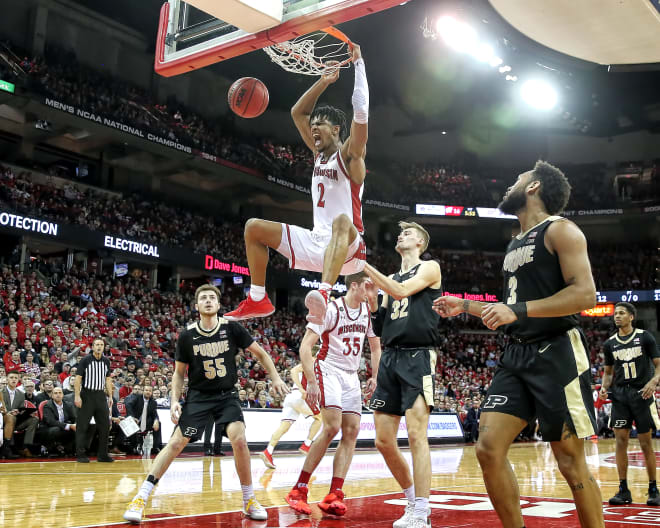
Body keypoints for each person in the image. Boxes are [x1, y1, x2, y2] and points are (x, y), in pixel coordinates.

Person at [433, 160, 605, 528]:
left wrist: (519, 311)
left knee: (570, 462)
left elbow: (586, 294)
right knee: (488, 450)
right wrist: (464, 305)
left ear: (533, 187)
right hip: (516, 355)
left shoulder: (561, 231)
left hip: (557, 351)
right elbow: (508, 308)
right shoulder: (514, 242)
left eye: (518, 178)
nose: (511, 183)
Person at [225, 44, 370, 325]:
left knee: (341, 220)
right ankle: (257, 298)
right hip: (317, 244)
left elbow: (361, 114)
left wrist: (359, 66)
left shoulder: (351, 157)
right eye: (313, 124)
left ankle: (325, 294)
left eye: (321, 124)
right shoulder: (319, 155)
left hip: (350, 250)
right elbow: (297, 113)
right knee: (254, 228)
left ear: (337, 130)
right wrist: (324, 81)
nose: (313, 127)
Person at [123, 285, 289, 524]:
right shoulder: (187, 335)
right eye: (203, 298)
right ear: (197, 306)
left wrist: (275, 377)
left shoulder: (232, 328)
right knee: (177, 442)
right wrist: (173, 401)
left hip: (226, 396)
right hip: (199, 398)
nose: (208, 301)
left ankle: (249, 499)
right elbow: (179, 373)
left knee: (239, 439)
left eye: (212, 297)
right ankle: (141, 497)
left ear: (219, 305)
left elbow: (261, 353)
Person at [363, 221, 442, 528]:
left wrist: (364, 266)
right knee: (383, 440)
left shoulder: (430, 267)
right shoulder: (391, 277)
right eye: (400, 233)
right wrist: (372, 303)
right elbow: (380, 326)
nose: (402, 235)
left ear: (420, 242)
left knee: (416, 435)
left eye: (408, 233)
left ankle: (422, 510)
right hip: (391, 358)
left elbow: (400, 291)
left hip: (418, 356)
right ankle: (412, 500)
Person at [285, 271, 380, 517]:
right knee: (331, 427)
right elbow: (305, 347)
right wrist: (312, 383)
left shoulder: (368, 312)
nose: (372, 290)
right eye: (368, 286)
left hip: (351, 376)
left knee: (352, 431)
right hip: (328, 369)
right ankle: (299, 489)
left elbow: (376, 345)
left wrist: (374, 375)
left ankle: (334, 493)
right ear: (355, 285)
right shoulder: (331, 309)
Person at [599, 302, 660, 505]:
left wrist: (653, 381)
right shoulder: (609, 344)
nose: (617, 316)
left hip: (641, 394)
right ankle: (623, 489)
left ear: (631, 317)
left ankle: (653, 489)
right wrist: (604, 386)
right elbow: (608, 372)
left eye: (622, 313)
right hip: (620, 397)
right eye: (615, 313)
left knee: (645, 444)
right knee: (620, 442)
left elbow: (658, 366)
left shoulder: (645, 337)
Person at [260, 361, 323, 469]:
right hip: (300, 395)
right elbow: (293, 370)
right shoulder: (311, 361)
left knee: (284, 426)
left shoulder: (315, 365)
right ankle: (306, 445)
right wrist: (302, 389)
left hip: (291, 397)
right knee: (319, 418)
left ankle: (268, 451)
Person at [74, 337, 114, 463]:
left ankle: (102, 454)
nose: (99, 346)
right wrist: (77, 395)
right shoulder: (86, 360)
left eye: (101, 344)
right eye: (97, 344)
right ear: (92, 347)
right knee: (83, 426)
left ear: (104, 347)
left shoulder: (106, 361)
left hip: (100, 396)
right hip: (87, 395)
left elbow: (108, 380)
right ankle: (80, 454)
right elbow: (78, 378)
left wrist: (111, 396)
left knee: (105, 426)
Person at [1, 370, 39, 458]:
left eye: (16, 378)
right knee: (11, 417)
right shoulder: (1, 392)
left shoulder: (21, 394)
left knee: (34, 419)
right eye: (11, 378)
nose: (13, 380)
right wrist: (9, 412)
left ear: (19, 380)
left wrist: (25, 413)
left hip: (16, 419)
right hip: (3, 419)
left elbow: (21, 409)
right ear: (7, 379)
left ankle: (25, 446)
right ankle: (9, 447)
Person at [125, 384, 161, 455]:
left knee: (158, 423)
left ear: (151, 392)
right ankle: (134, 447)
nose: (148, 392)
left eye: (150, 391)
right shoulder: (137, 398)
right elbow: (128, 405)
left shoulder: (153, 402)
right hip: (136, 420)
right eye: (146, 390)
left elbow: (155, 414)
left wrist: (156, 420)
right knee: (131, 423)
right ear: (143, 391)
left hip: (146, 422)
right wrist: (132, 416)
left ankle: (155, 447)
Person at [41, 386, 76, 456]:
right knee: (56, 429)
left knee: (78, 428)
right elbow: (51, 421)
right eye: (55, 393)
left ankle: (71, 449)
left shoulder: (68, 405)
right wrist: (69, 426)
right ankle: (50, 447)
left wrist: (75, 424)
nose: (58, 395)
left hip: (63, 427)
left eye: (60, 393)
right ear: (52, 396)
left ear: (63, 395)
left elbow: (74, 418)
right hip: (48, 428)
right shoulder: (48, 405)